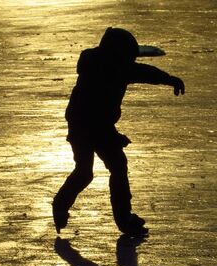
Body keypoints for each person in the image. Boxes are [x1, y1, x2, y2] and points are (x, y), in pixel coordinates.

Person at [52, 27, 185, 236]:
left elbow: (144, 72)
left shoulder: (104, 64)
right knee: (101, 169)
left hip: (88, 124)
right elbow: (94, 115)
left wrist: (169, 79)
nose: (131, 62)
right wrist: (113, 137)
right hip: (86, 125)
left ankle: (65, 206)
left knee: (93, 171)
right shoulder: (115, 69)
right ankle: (119, 217)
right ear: (119, 54)